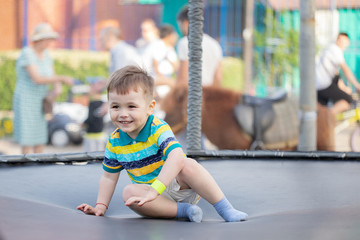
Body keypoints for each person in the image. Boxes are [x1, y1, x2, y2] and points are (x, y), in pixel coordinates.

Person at [77, 65, 248, 223]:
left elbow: (176, 156)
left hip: (178, 186)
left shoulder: (157, 128)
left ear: (150, 107)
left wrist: (156, 189)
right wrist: (100, 206)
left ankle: (225, 209)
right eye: (115, 107)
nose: (123, 114)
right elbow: (108, 177)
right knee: (129, 192)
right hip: (152, 199)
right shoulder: (114, 141)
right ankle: (183, 211)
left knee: (188, 164)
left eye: (131, 106)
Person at [13, 23, 73, 154]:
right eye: (47, 39)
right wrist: (61, 78)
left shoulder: (46, 55)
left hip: (41, 100)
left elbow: (52, 75)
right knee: (27, 137)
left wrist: (57, 88)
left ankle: (38, 169)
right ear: (39, 39)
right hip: (26, 100)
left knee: (40, 136)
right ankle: (26, 169)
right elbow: (37, 79)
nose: (50, 42)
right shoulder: (27, 53)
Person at [176, 6, 223, 87]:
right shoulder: (215, 44)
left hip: (190, 95)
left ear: (185, 23)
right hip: (208, 95)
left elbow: (183, 77)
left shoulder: (185, 42)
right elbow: (218, 78)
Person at [316, 32, 360, 115]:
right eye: (339, 39)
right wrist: (357, 86)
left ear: (347, 43)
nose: (340, 42)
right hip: (323, 85)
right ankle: (328, 118)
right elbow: (345, 69)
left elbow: (336, 75)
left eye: (343, 40)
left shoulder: (332, 49)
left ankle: (324, 119)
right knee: (348, 100)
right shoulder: (336, 49)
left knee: (321, 109)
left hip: (319, 84)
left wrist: (344, 88)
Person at [82, 78, 108, 152]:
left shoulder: (100, 104)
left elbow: (92, 118)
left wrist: (83, 123)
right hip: (94, 135)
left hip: (94, 137)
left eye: (91, 85)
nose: (89, 88)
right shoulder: (96, 103)